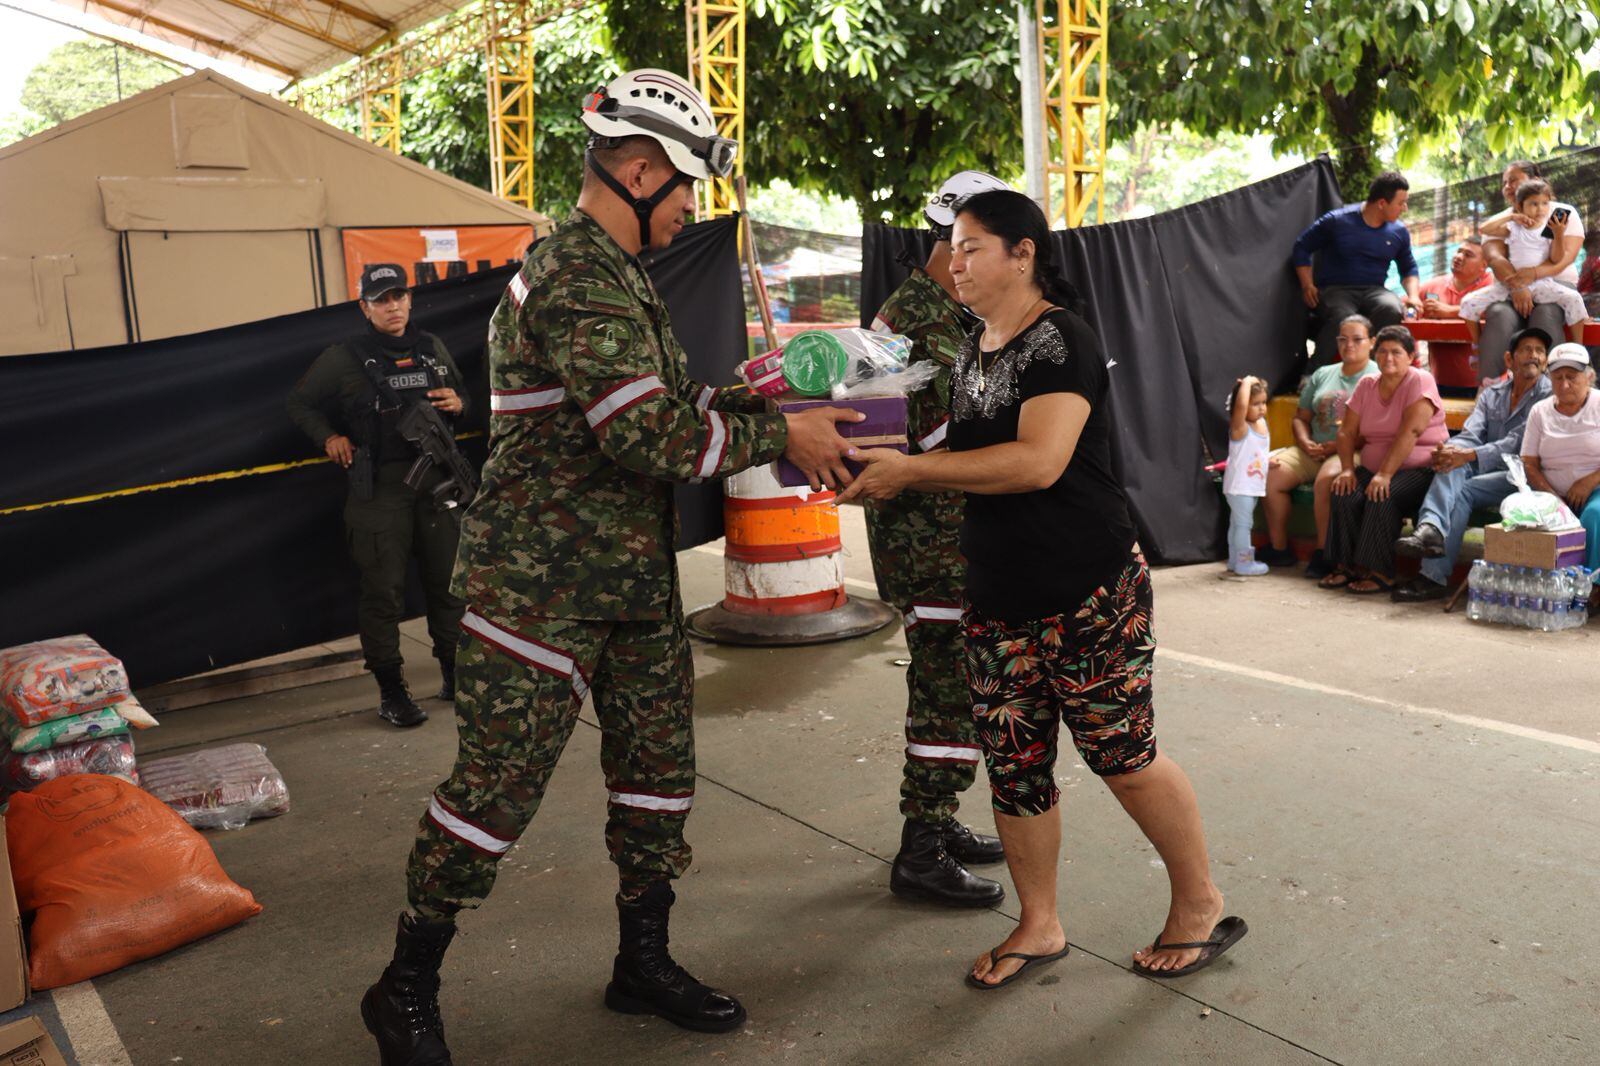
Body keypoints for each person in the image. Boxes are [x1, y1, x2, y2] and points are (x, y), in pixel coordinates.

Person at [360, 69, 865, 1063]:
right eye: (681, 187)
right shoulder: (578, 276)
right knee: (494, 793)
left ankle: (642, 959)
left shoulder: (619, 275)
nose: (687, 208)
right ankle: (403, 985)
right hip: (538, 591)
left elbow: (664, 401)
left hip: (625, 582)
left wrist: (752, 394)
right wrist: (779, 435)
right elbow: (644, 436)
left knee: (656, 779)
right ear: (636, 169)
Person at [839, 189, 1245, 989]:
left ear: (1023, 253)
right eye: (951, 248)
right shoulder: (974, 347)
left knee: (1122, 758)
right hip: (997, 595)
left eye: (972, 247)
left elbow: (1038, 462)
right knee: (1014, 765)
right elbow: (961, 456)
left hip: (1087, 589)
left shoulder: (1061, 339)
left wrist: (910, 471)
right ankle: (1040, 924)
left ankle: (1199, 904)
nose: (954, 261)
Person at [867, 170, 1010, 909]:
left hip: (944, 537)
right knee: (946, 692)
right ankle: (921, 847)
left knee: (951, 686)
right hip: (933, 542)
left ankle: (939, 821)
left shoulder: (940, 314)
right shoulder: (922, 325)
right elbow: (939, 439)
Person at [286, 264, 470, 729]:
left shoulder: (432, 349)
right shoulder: (345, 357)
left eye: (399, 296)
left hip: (437, 487)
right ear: (364, 307)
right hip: (381, 491)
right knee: (382, 593)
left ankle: (456, 675)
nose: (393, 306)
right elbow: (300, 403)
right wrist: (329, 438)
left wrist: (459, 403)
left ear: (410, 299)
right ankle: (392, 692)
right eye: (381, 299)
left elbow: (462, 396)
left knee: (450, 585)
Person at [1391, 328, 1552, 602]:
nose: (1534, 356)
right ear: (1509, 359)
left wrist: (1467, 456)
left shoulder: (1547, 395)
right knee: (1451, 466)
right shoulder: (1492, 394)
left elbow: (1517, 444)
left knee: (1461, 483)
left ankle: (1432, 562)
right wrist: (1453, 451)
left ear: (1546, 360)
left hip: (1524, 475)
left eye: (1540, 351)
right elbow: (1471, 434)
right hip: (1485, 465)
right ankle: (1431, 539)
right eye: (1526, 349)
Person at [1319, 325, 1448, 594]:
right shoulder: (1367, 384)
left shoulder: (1420, 380)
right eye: (1383, 352)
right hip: (1375, 467)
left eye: (1397, 352)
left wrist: (1385, 474)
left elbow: (1410, 431)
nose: (1388, 358)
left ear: (1411, 356)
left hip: (1420, 469)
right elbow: (1346, 431)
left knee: (1382, 494)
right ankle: (1347, 565)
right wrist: (1346, 469)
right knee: (1344, 492)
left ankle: (1381, 573)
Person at [1260, 315, 1380, 574]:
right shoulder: (1323, 373)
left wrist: (1335, 448)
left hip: (1352, 450)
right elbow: (1301, 418)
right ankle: (1279, 548)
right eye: (1343, 339)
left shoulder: (1378, 377)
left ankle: (1324, 552)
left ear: (1372, 342)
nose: (1349, 345)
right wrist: (1304, 442)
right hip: (1312, 448)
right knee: (1272, 475)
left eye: (1357, 339)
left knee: (1326, 480)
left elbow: (1376, 430)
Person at [1292, 171, 1421, 363]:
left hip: (1374, 290)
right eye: (1401, 203)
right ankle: (1313, 374)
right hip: (1335, 290)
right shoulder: (1336, 221)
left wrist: (1413, 296)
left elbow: (1408, 267)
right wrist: (1306, 285)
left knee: (1391, 308)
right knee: (1345, 319)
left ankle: (1369, 369)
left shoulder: (1399, 232)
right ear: (1382, 203)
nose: (1405, 208)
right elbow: (1301, 247)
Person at [1477, 160, 1580, 380]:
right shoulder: (1502, 221)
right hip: (1512, 290)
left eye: (1513, 180)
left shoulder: (1560, 212)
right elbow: (1495, 257)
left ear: (1535, 180)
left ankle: (1552, 390)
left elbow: (1562, 260)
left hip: (1555, 287)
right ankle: (1489, 390)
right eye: (1504, 182)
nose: (1507, 187)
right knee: (1498, 314)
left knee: (1545, 312)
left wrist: (1532, 275)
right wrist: (1518, 286)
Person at [1461, 179, 1590, 346]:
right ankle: (1477, 346)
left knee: (1574, 299)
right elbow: (1484, 229)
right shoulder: (1513, 227)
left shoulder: (1549, 227)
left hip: (1540, 285)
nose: (1540, 209)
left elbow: (1557, 258)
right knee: (1467, 303)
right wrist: (1512, 216)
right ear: (1521, 206)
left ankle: (1578, 347)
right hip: (1512, 286)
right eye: (1534, 204)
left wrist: (1558, 234)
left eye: (1545, 203)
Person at [1520, 344, 1600, 570]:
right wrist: (1552, 497)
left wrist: (1588, 482)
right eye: (1558, 378)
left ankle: (1593, 584)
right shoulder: (1540, 411)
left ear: (1589, 377)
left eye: (1572, 377)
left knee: (1595, 514)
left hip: (1596, 488)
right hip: (1550, 493)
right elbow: (1529, 463)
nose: (1564, 385)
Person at [1415, 237, 1493, 388]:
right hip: (1438, 385)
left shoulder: (1493, 284)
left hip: (1486, 387)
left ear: (1483, 265)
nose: (1458, 257)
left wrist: (1449, 312)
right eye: (1459, 251)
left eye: (1468, 255)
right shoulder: (1434, 285)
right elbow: (1407, 305)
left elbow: (1495, 308)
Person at [1222, 376, 1271, 575]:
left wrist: (1268, 460)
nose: (1261, 408)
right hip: (1240, 486)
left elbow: (1256, 452)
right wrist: (1247, 384)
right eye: (1255, 404)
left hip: (1250, 486)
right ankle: (1244, 562)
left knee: (1236, 524)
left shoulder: (1261, 423)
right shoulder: (1240, 428)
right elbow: (1240, 407)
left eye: (1263, 403)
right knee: (1244, 524)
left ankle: (1234, 561)